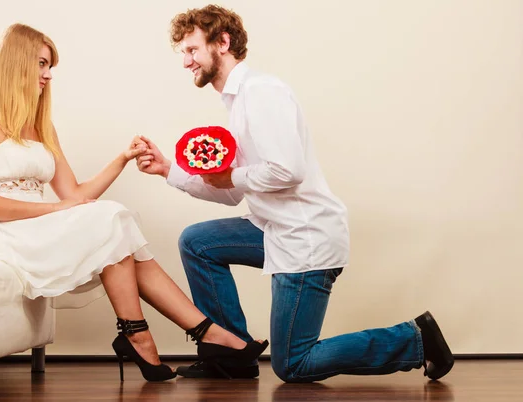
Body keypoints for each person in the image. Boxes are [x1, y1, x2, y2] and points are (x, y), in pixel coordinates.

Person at [135, 5, 454, 382]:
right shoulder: (237, 102)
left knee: (294, 364)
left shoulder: (261, 93)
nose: (186, 61)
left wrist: (233, 176)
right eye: (184, 53)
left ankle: (416, 340)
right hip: (275, 229)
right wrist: (169, 169)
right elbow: (232, 191)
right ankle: (231, 353)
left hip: (306, 239)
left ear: (222, 42)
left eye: (192, 50)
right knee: (198, 242)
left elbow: (288, 169)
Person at [0, 22, 267, 383]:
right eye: (42, 64)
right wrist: (53, 209)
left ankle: (171, 334)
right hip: (2, 233)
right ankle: (178, 334)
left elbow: (75, 195)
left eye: (50, 66)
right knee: (113, 221)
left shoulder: (40, 126)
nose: (48, 75)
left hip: (37, 226)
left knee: (116, 221)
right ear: (16, 64)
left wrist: (122, 158)